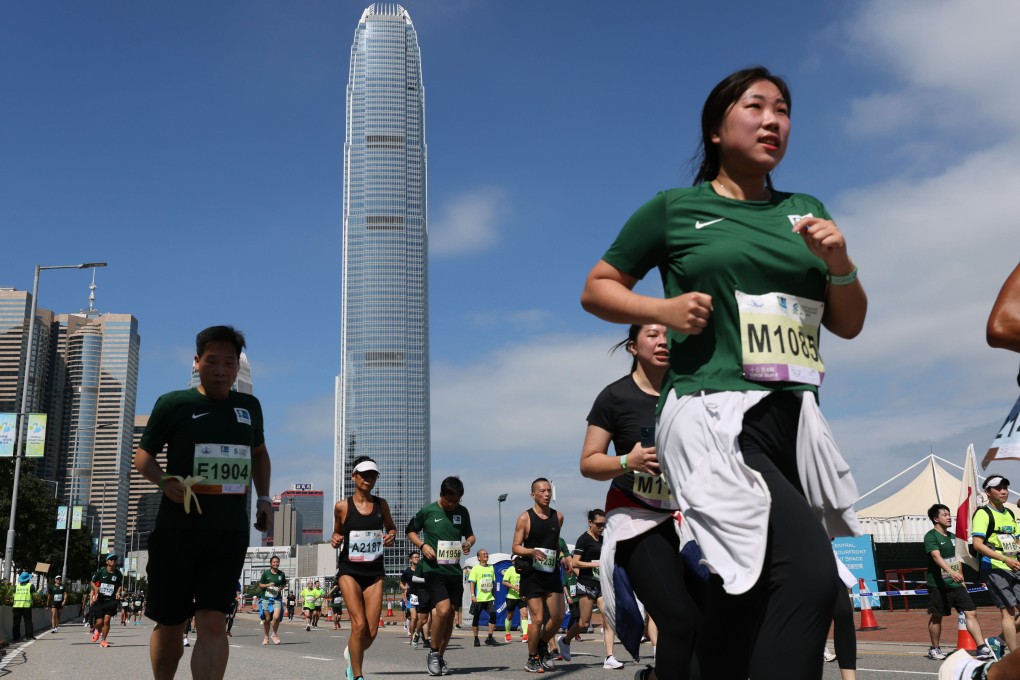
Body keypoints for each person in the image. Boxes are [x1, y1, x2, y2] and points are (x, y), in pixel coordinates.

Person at [580, 66, 867, 680]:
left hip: (792, 415)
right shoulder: (675, 210)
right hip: (713, 411)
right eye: (756, 107)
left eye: (783, 110)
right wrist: (661, 309)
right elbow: (597, 289)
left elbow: (849, 323)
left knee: (750, 587)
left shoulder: (805, 211)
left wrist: (840, 263)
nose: (773, 121)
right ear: (715, 129)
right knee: (813, 576)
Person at [134, 325, 274, 680]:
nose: (221, 370)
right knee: (171, 623)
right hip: (177, 530)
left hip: (228, 532)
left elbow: (259, 454)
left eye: (229, 363)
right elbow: (143, 457)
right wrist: (164, 481)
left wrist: (264, 498)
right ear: (197, 362)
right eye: (213, 361)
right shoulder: (174, 404)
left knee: (212, 620)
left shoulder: (249, 407)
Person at [578, 323, 706, 680]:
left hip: (685, 519)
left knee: (706, 621)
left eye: (669, 335)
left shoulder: (690, 394)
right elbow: (588, 462)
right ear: (633, 347)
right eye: (652, 334)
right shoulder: (614, 397)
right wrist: (626, 461)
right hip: (637, 520)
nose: (663, 340)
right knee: (677, 620)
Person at [331, 456, 397, 680]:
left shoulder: (381, 505)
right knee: (358, 624)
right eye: (365, 474)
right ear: (354, 476)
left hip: (374, 573)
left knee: (371, 632)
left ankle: (352, 651)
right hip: (349, 571)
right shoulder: (342, 506)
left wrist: (391, 536)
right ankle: (356, 675)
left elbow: (392, 528)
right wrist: (335, 538)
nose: (369, 479)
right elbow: (337, 532)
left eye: (373, 475)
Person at [406, 476, 476, 677]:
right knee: (443, 610)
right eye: (450, 500)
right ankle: (434, 653)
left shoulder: (462, 512)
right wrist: (423, 545)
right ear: (442, 495)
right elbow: (410, 530)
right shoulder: (428, 511)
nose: (453, 504)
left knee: (450, 616)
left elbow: (470, 535)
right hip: (433, 569)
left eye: (457, 500)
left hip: (454, 570)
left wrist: (468, 544)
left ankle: (438, 656)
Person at [922, 504, 993, 661]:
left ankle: (981, 647)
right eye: (945, 514)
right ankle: (934, 648)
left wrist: (960, 576)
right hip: (939, 585)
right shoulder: (931, 536)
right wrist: (951, 572)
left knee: (971, 612)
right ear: (935, 519)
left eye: (949, 514)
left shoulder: (953, 537)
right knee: (937, 617)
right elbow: (936, 556)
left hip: (957, 584)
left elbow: (958, 558)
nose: (949, 517)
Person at [512, 478, 565, 673]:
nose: (547, 494)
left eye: (549, 491)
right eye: (542, 491)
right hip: (532, 574)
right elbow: (515, 546)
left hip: (551, 573)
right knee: (538, 619)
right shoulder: (525, 518)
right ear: (533, 494)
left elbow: (555, 542)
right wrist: (532, 551)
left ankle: (542, 644)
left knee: (558, 617)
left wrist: (562, 557)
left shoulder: (558, 517)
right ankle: (532, 657)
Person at [972, 476, 1020, 657]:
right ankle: (1014, 658)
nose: (1003, 491)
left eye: (1005, 487)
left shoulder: (1010, 513)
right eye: (998, 488)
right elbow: (978, 544)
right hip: (994, 566)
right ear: (988, 492)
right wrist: (1003, 558)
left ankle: (997, 641)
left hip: (1013, 564)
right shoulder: (983, 513)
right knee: (1007, 611)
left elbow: (1016, 540)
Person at [571, 510, 623, 669]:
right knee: (584, 623)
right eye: (599, 524)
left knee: (608, 619)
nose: (602, 528)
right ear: (590, 523)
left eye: (604, 525)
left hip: (602, 584)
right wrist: (595, 564)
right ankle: (565, 640)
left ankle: (609, 657)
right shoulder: (583, 540)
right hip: (586, 583)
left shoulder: (604, 539)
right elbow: (575, 563)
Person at [467, 549, 499, 648]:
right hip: (479, 598)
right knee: (476, 618)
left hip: (489, 598)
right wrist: (473, 595)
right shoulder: (475, 569)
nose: (486, 555)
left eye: (486, 553)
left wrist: (494, 596)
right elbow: (472, 582)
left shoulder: (491, 567)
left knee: (493, 615)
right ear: (479, 557)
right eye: (483, 554)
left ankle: (489, 637)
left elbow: (493, 583)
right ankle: (476, 638)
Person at [91, 554, 124, 648]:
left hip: (111, 600)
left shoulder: (118, 574)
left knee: (107, 620)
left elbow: (119, 585)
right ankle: (97, 630)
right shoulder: (101, 572)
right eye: (111, 559)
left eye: (115, 560)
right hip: (101, 600)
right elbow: (92, 582)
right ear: (107, 562)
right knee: (99, 623)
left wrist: (118, 592)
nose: (114, 561)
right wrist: (96, 588)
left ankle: (103, 640)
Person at [258, 555, 287, 645]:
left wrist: (280, 588)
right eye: (274, 562)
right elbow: (260, 585)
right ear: (271, 563)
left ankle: (274, 634)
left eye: (277, 562)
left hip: (276, 598)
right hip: (266, 598)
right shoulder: (266, 574)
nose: (276, 563)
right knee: (267, 618)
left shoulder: (281, 574)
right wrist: (268, 585)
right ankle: (266, 637)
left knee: (276, 617)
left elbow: (284, 584)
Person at [501, 557, 527, 643]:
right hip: (511, 596)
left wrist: (524, 592)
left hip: (521, 596)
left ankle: (525, 635)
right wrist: (515, 587)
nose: (518, 560)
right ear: (513, 561)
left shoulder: (524, 568)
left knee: (524, 614)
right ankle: (507, 634)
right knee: (509, 616)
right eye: (516, 559)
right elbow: (504, 582)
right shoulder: (510, 569)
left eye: (519, 559)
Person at [12, 571, 36, 642]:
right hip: (26, 606)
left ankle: (16, 637)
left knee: (16, 622)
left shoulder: (16, 586)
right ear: (28, 579)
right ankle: (29, 636)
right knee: (28, 621)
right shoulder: (30, 586)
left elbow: (13, 595)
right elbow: (34, 594)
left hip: (16, 606)